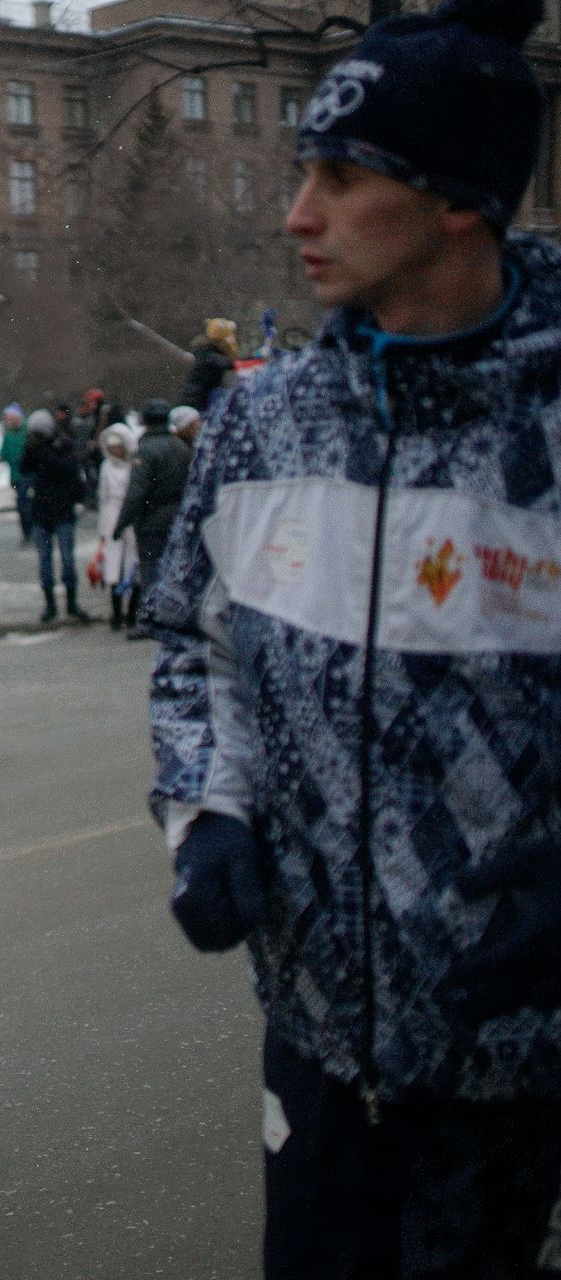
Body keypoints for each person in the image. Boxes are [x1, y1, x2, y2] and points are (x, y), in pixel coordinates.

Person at [149, 1, 561, 1272]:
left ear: (456, 201)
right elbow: (193, 642)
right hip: (319, 1032)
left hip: (523, 1048)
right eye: (300, 177)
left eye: (339, 178)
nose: (298, 216)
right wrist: (207, 807)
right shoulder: (262, 425)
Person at [113, 402, 196, 641]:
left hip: (152, 518)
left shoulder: (146, 451)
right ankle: (181, 617)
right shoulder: (181, 447)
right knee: (179, 568)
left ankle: (151, 620)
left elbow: (137, 491)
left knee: (150, 569)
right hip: (180, 515)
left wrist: (121, 523)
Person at [19, 408, 93, 624]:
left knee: (68, 560)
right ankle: (50, 604)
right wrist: (32, 449)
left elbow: (68, 469)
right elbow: (24, 468)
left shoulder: (62, 445)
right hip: (42, 512)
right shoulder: (33, 449)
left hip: (62, 510)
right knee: (45, 561)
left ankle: (71, 602)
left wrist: (47, 453)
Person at [92, 423, 141, 631]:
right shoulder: (106, 467)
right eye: (111, 446)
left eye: (118, 445)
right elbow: (103, 497)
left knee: (133, 562)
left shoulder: (134, 466)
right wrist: (103, 529)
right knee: (113, 566)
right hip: (112, 515)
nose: (114, 450)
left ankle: (132, 612)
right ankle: (116, 612)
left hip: (131, 515)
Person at [0, 403, 31, 543]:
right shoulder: (8, 436)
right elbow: (3, 453)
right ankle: (26, 531)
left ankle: (31, 530)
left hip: (28, 474)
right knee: (21, 505)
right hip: (16, 476)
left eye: (11, 417)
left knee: (27, 503)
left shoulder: (27, 432)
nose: (9, 420)